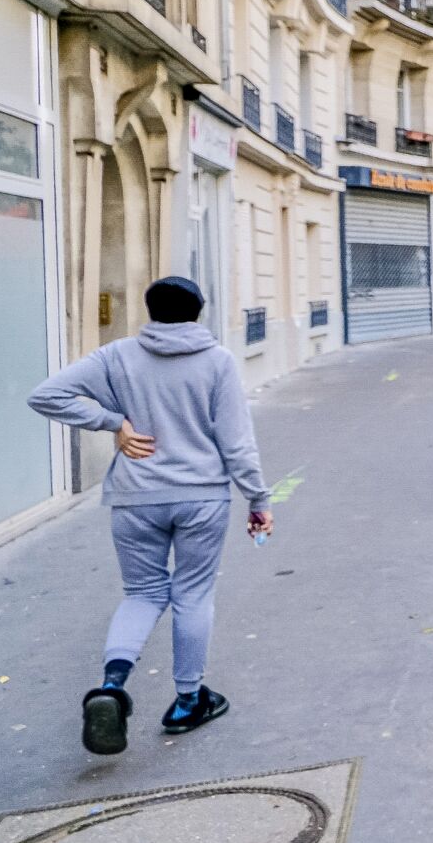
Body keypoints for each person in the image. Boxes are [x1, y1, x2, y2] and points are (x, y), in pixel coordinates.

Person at [27, 276, 272, 755]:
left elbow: (46, 395)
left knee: (142, 592)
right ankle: (187, 701)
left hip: (136, 497)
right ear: (199, 311)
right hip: (202, 497)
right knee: (193, 594)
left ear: (151, 310)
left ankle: (112, 686)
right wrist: (258, 500)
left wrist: (112, 422)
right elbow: (237, 442)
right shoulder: (218, 362)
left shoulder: (118, 355)